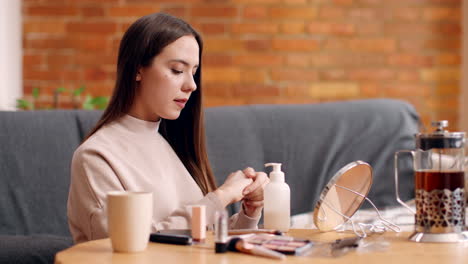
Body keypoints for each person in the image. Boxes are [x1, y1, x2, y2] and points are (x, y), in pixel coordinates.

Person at [67, 13, 269, 243]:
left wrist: (249, 211)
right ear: (137, 69)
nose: (192, 85)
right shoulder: (95, 157)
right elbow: (128, 246)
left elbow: (202, 239)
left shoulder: (171, 143)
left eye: (194, 72)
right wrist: (219, 198)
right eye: (176, 70)